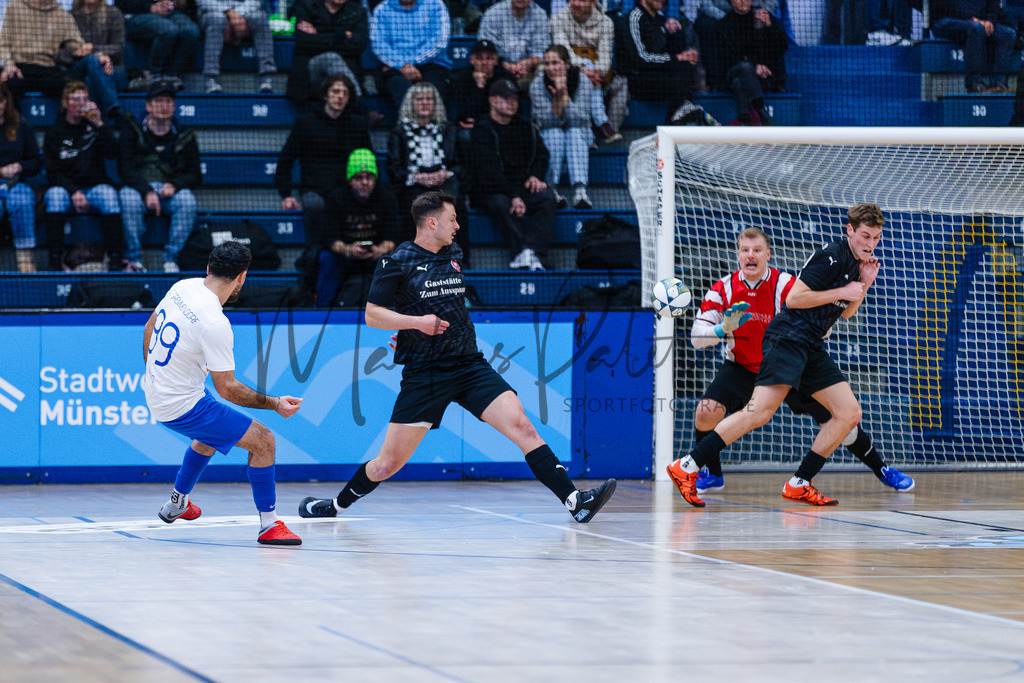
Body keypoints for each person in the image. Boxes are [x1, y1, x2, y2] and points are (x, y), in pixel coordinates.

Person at [296, 191, 617, 523]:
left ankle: (574, 500)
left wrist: (409, 329)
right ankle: (335, 506)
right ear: (431, 222)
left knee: (523, 427)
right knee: (387, 464)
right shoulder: (397, 261)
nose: (458, 226)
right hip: (425, 375)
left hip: (469, 365)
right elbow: (373, 315)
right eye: (452, 219)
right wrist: (415, 325)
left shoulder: (452, 252)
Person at [666, 203, 886, 508]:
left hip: (810, 346)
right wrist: (844, 291)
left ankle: (800, 482)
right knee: (759, 412)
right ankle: (687, 466)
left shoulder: (856, 263)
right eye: (865, 236)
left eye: (876, 238)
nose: (870, 243)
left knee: (849, 414)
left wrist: (864, 284)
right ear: (850, 230)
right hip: (789, 339)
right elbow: (795, 298)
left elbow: (846, 313)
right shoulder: (831, 256)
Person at [143, 240, 303, 546]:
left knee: (212, 434)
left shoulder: (184, 286)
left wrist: (154, 374)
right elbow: (228, 388)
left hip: (157, 390)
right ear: (242, 277)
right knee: (263, 440)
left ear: (208, 269)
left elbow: (150, 326)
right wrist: (275, 403)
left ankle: (178, 503)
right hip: (181, 404)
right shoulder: (215, 322)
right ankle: (269, 524)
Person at [276, 74, 372, 253]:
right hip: (314, 190)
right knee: (314, 206)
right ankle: (314, 257)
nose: (340, 96)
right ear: (325, 95)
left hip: (347, 191)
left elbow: (368, 159)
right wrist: (286, 195)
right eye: (335, 91)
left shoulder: (357, 124)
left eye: (345, 93)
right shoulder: (306, 123)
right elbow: (286, 160)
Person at [468, 77, 556, 271]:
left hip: (522, 187)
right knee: (501, 203)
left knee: (547, 197)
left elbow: (541, 155)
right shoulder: (482, 130)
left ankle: (531, 251)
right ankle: (520, 252)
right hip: (492, 190)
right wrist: (514, 195)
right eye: (506, 98)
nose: (512, 102)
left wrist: (536, 176)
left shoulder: (525, 128)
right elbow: (488, 171)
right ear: (492, 100)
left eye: (515, 98)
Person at [118, 78, 202, 273]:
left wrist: (174, 184)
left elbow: (195, 174)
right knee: (127, 197)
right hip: (139, 189)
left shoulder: (184, 134)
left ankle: (172, 258)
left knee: (187, 201)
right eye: (158, 101)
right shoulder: (132, 129)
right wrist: (146, 191)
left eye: (169, 102)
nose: (164, 106)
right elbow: (125, 169)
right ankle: (134, 259)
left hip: (169, 193)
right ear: (148, 106)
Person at [42, 80, 123, 272]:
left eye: (84, 99)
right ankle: (55, 260)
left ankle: (116, 259)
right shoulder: (54, 133)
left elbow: (113, 152)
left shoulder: (94, 128)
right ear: (65, 103)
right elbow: (52, 172)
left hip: (94, 188)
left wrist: (99, 124)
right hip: (66, 191)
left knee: (109, 195)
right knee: (54, 196)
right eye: (75, 99)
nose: (80, 103)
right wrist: (74, 191)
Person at [0, 0, 121, 123]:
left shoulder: (61, 14)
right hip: (19, 67)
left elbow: (76, 43)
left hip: (47, 68)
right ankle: (14, 131)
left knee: (71, 89)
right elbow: (3, 43)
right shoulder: (14, 7)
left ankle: (67, 132)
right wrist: (8, 64)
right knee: (9, 84)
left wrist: (95, 53)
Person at [316, 148, 402, 307]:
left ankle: (398, 308)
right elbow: (329, 238)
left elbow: (394, 237)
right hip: (346, 257)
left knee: (400, 258)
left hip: (378, 257)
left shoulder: (387, 198)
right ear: (350, 179)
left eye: (369, 177)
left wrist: (380, 250)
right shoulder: (336, 198)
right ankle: (323, 310)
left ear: (375, 178)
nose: (364, 182)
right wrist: (348, 249)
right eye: (359, 177)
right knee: (326, 258)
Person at [387, 82, 460, 233]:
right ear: (411, 104)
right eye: (419, 99)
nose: (425, 103)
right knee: (417, 205)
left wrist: (445, 174)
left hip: (443, 184)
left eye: (429, 99)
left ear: (435, 104)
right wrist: (417, 178)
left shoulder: (448, 130)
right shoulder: (399, 133)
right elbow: (394, 170)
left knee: (452, 202)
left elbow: (459, 165)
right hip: (413, 186)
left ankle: (455, 254)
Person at [550, 0, 628, 142]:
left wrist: (597, 72)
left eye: (582, 0)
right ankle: (601, 124)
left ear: (592, 2)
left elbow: (605, 56)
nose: (576, 3)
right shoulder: (557, 20)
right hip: (569, 73)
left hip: (598, 77)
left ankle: (590, 134)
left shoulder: (605, 22)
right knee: (586, 71)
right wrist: (584, 69)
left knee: (619, 82)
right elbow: (564, 52)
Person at [530, 45, 594, 210]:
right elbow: (543, 121)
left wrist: (565, 96)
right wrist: (557, 102)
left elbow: (582, 119)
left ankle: (580, 192)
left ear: (566, 64)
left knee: (573, 132)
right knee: (555, 133)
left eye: (555, 63)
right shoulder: (537, 83)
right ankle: (552, 189)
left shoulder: (583, 81)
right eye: (547, 64)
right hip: (549, 133)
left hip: (581, 133)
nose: (551, 68)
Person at [615, 0, 700, 123]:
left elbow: (669, 52)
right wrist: (676, 58)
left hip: (658, 75)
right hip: (638, 79)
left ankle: (678, 118)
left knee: (685, 64)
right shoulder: (634, 17)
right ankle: (676, 118)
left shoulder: (661, 19)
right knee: (678, 77)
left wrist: (685, 55)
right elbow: (640, 58)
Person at [369, 0, 452, 107]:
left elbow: (440, 41)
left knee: (434, 88)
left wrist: (410, 63)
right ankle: (408, 123)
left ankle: (436, 123)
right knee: (399, 85)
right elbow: (379, 45)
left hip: (432, 65)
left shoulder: (436, 4)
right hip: (395, 67)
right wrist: (402, 65)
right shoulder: (382, 9)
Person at [716, 0, 787, 125]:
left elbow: (782, 47)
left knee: (738, 83)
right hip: (733, 70)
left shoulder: (761, 18)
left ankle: (745, 119)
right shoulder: (724, 24)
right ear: (731, 2)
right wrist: (755, 66)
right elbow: (729, 57)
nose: (743, 1)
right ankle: (761, 110)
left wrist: (770, 26)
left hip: (760, 76)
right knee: (745, 68)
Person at [286, 0, 368, 107]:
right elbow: (304, 41)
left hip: (346, 69)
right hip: (311, 74)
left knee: (334, 59)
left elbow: (359, 45)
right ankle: (360, 105)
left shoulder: (357, 11)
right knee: (331, 57)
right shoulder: (307, 6)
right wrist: (341, 36)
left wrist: (318, 35)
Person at [0, 82, 43, 273]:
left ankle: (25, 258)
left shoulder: (20, 125)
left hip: (18, 183)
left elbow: (35, 161)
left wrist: (20, 166)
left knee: (22, 201)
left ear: (5, 102)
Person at [931, 0, 1016, 93]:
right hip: (946, 20)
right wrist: (973, 19)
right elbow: (945, 6)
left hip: (978, 22)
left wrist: (989, 20)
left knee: (1008, 34)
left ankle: (998, 84)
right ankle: (974, 83)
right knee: (976, 28)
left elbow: (994, 6)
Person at [198, 0, 277, 93]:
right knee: (217, 19)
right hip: (213, 12)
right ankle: (211, 78)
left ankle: (267, 77)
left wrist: (238, 15)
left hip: (246, 12)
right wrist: (227, 12)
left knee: (260, 17)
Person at [115, 0, 200, 87]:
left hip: (169, 14)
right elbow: (122, 3)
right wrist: (151, 7)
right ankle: (154, 76)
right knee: (168, 29)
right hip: (135, 14)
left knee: (190, 31)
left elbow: (190, 7)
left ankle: (171, 76)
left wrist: (175, 4)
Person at [477, 0, 550, 90]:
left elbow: (542, 51)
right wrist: (505, 65)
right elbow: (485, 49)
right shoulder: (493, 14)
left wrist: (528, 63)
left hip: (528, 70)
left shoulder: (540, 15)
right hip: (498, 68)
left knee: (545, 68)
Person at [450, 38, 514, 129]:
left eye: (489, 58)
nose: (484, 63)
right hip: (474, 126)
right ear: (472, 60)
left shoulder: (505, 77)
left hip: (501, 124)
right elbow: (462, 112)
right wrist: (480, 86)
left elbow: (514, 108)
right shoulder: (462, 79)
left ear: (496, 60)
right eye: (480, 58)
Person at [71, 0, 128, 90]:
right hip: (80, 66)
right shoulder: (72, 15)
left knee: (92, 76)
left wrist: (94, 50)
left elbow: (119, 47)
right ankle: (112, 104)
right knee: (91, 64)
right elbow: (63, 48)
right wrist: (76, 50)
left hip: (111, 66)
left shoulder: (113, 13)